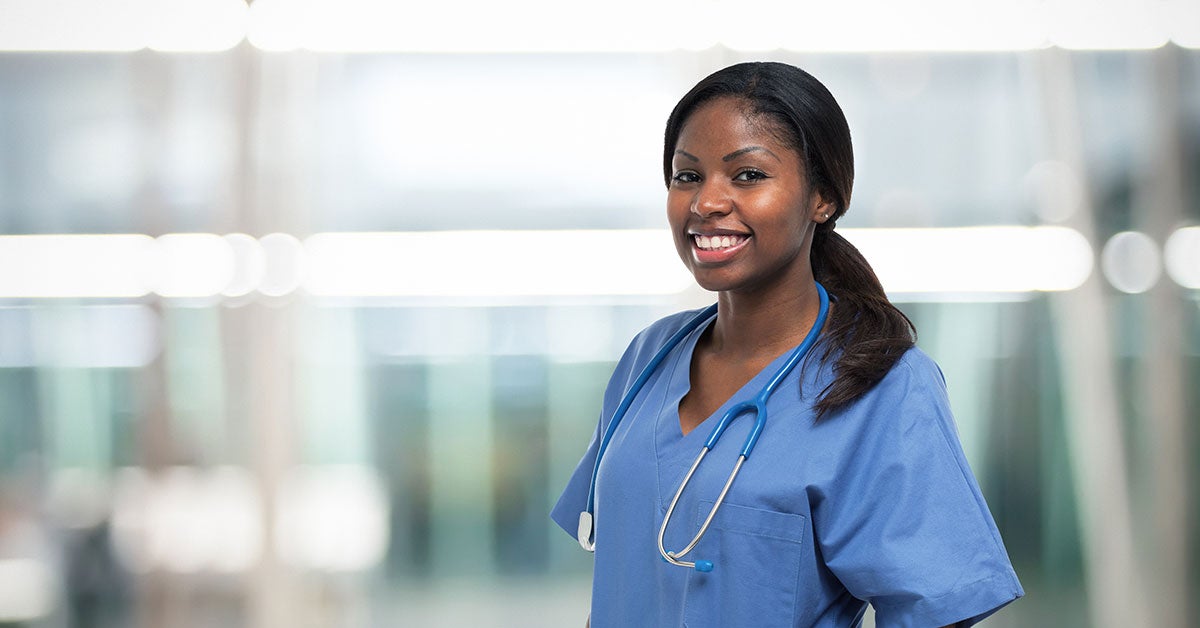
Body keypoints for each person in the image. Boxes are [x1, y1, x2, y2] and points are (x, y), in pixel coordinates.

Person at [550, 61, 1023, 627]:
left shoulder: (881, 384)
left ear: (823, 196)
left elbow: (938, 611)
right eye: (687, 176)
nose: (706, 203)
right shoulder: (648, 358)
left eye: (747, 175)